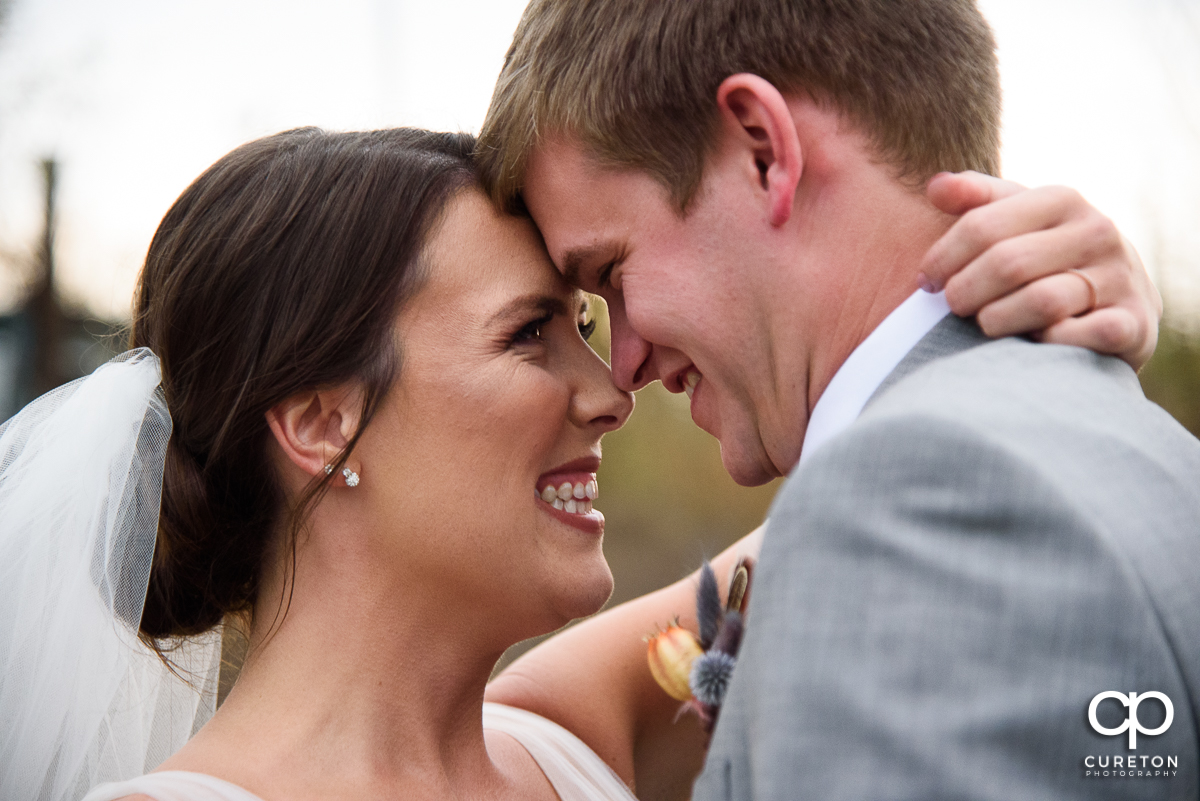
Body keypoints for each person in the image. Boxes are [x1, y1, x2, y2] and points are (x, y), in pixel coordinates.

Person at [0, 117, 1158, 801]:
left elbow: (882, 499)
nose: (612, 396)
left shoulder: (592, 725)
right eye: (528, 336)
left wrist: (1045, 289)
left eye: (587, 327)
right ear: (318, 422)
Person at [474, 0, 1199, 798]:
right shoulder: (1139, 447)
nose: (626, 367)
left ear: (763, 150)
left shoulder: (909, 502)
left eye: (612, 271)